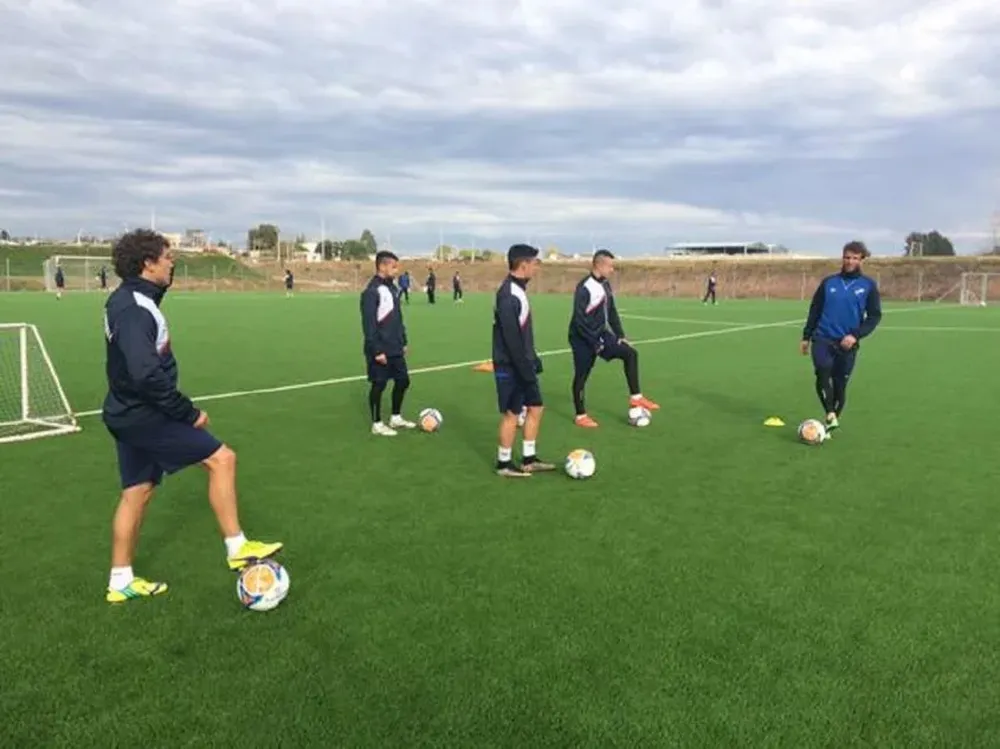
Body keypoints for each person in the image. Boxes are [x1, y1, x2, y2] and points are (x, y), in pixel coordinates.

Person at [101, 229, 282, 604]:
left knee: (138, 491)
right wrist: (188, 412)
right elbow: (144, 372)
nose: (173, 262)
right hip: (144, 413)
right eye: (167, 257)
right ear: (147, 263)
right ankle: (238, 547)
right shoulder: (134, 308)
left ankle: (120, 581)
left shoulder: (130, 299)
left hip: (126, 412)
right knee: (222, 459)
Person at [568, 249, 659, 428]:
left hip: (601, 333)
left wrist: (620, 336)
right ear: (599, 265)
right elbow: (579, 321)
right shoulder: (584, 287)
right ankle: (580, 415)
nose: (612, 270)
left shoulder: (605, 284)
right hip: (582, 338)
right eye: (610, 266)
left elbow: (611, 311)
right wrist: (595, 344)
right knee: (582, 375)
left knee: (630, 353)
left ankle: (636, 398)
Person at [800, 240, 882, 434]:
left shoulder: (868, 285)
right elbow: (815, 310)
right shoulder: (829, 283)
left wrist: (855, 335)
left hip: (847, 343)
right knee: (822, 370)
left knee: (839, 384)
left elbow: (874, 316)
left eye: (854, 257)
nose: (850, 261)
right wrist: (806, 336)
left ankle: (830, 424)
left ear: (862, 259)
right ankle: (829, 413)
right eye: (847, 257)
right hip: (823, 337)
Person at [491, 244, 555, 477]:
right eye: (535, 263)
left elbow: (523, 333)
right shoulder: (508, 294)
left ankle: (529, 459)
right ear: (523, 264)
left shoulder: (519, 290)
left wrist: (533, 358)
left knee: (536, 407)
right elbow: (511, 338)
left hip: (523, 363)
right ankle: (504, 464)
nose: (537, 267)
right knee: (511, 413)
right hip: (510, 365)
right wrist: (524, 368)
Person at [361, 250, 415, 436]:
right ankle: (377, 423)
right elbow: (369, 324)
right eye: (394, 266)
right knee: (379, 384)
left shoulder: (393, 288)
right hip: (380, 348)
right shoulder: (371, 291)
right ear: (382, 266)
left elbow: (397, 318)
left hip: (395, 346)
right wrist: (376, 350)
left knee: (403, 381)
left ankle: (396, 417)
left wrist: (404, 340)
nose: (397, 270)